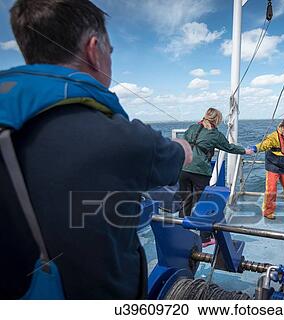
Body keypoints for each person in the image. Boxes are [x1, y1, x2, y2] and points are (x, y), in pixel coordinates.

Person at [0, 0, 192, 299]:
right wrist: (184, 144)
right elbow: (177, 157)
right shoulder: (123, 138)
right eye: (110, 51)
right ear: (94, 49)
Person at [179, 107, 253, 247]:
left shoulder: (192, 127)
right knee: (205, 204)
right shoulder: (214, 134)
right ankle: (205, 238)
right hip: (200, 172)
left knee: (185, 200)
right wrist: (245, 151)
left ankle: (182, 231)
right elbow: (229, 147)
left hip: (183, 168)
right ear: (217, 120)